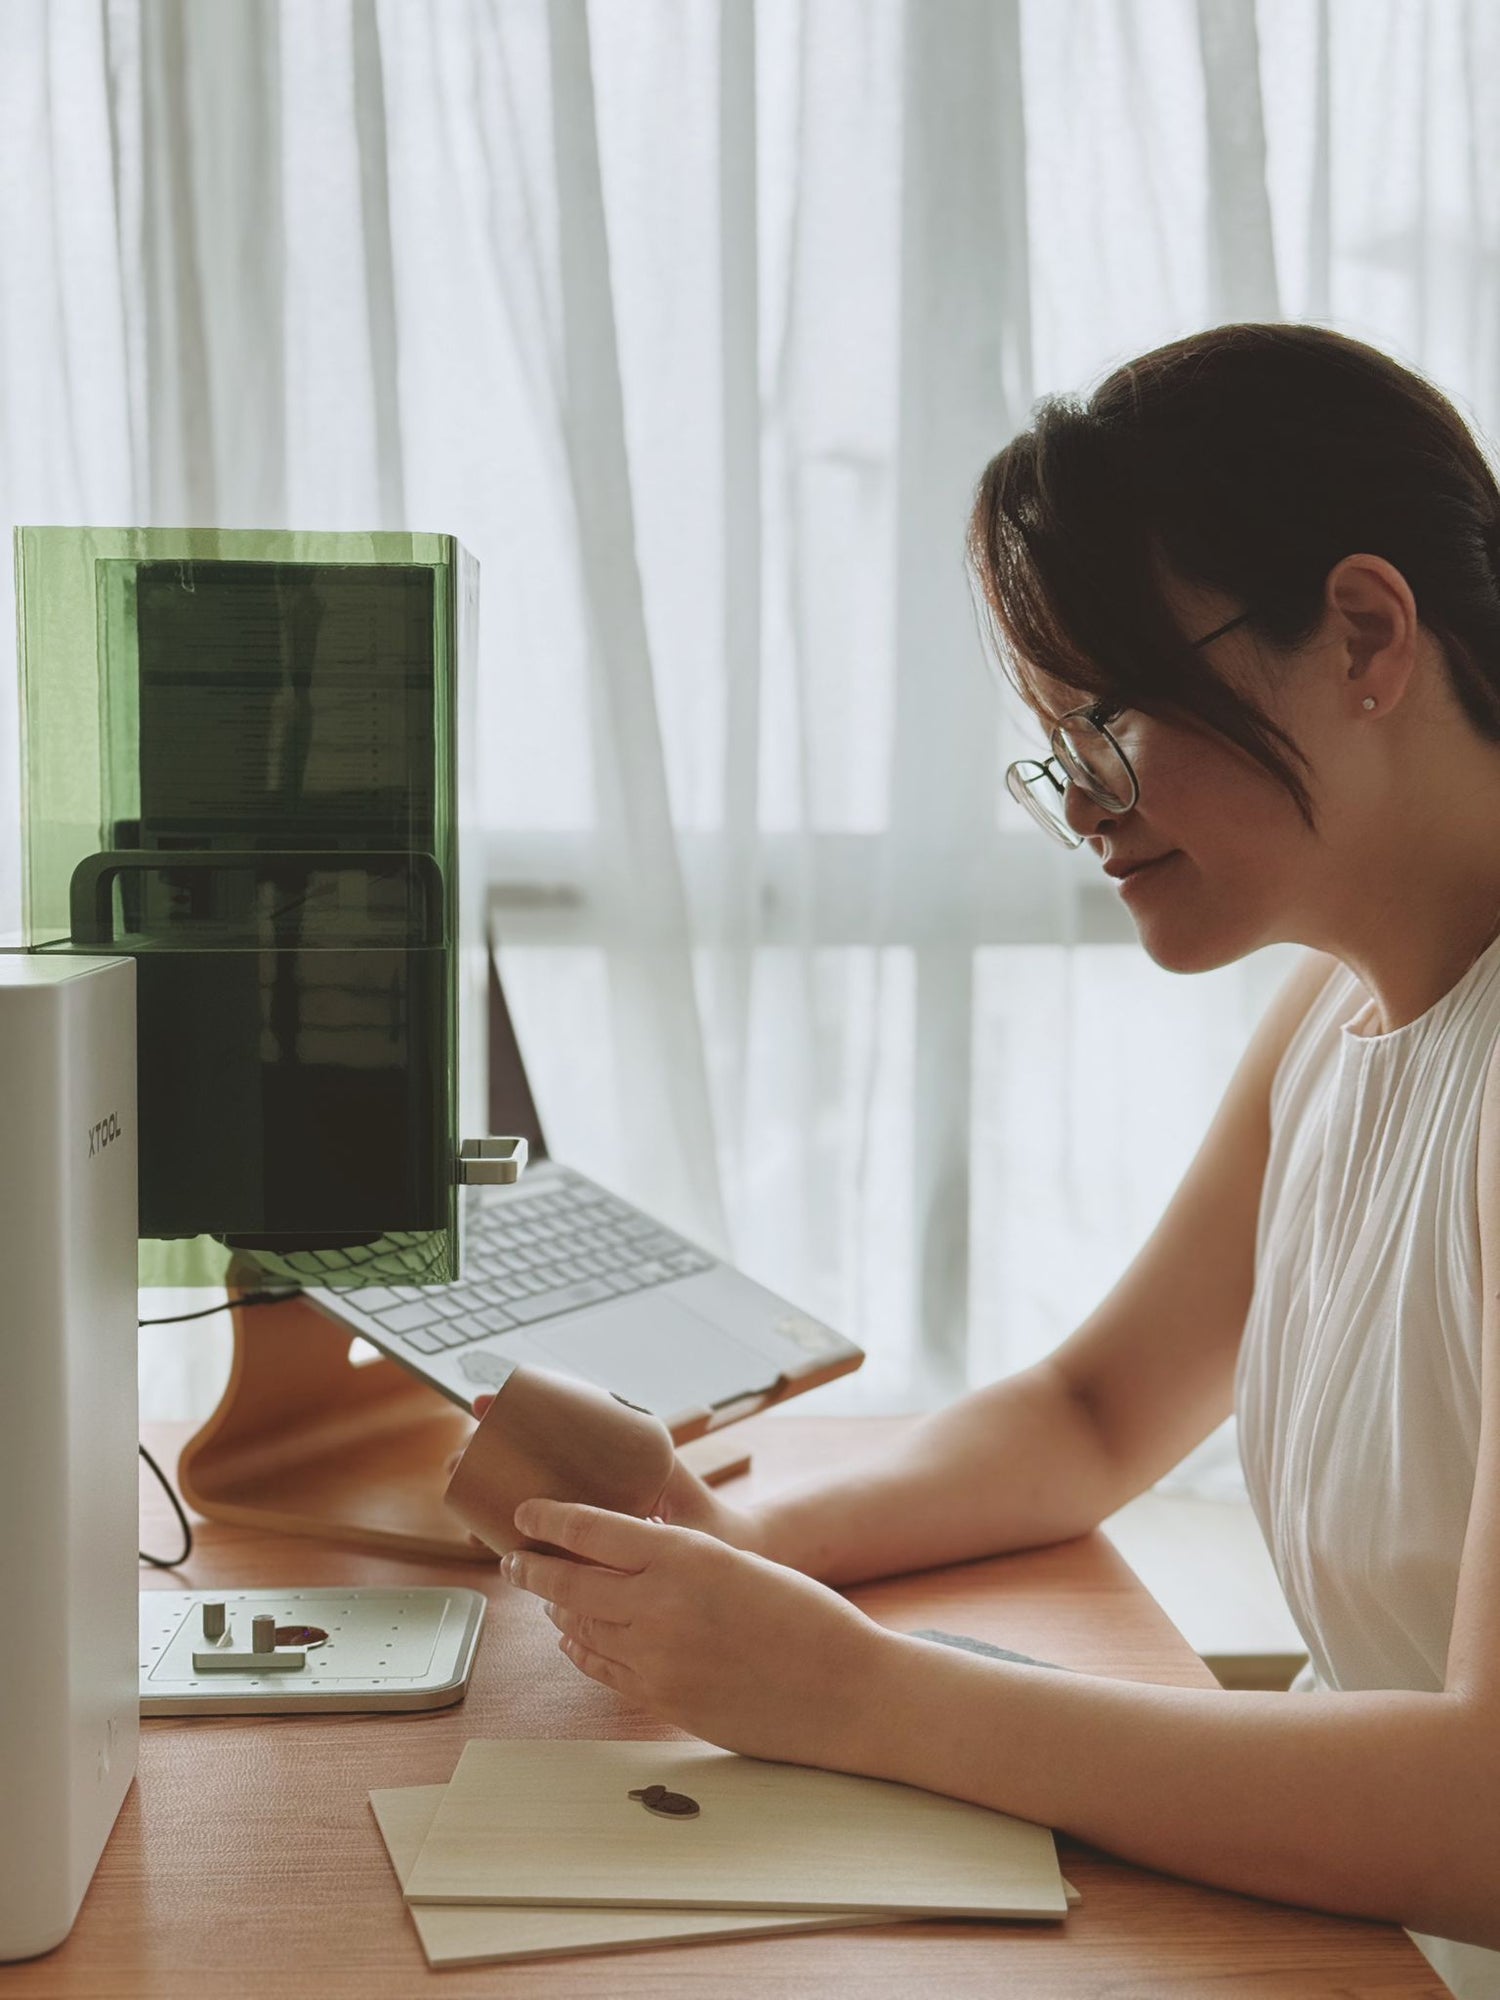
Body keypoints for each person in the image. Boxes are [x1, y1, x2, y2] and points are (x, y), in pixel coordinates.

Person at [491, 323, 1500, 1993]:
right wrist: (739, 1558)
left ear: (1367, 633)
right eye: (1057, 749)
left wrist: (857, 1696)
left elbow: (1482, 1811)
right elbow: (1091, 1413)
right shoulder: (1340, 1020)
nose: (1085, 806)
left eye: (1104, 718)